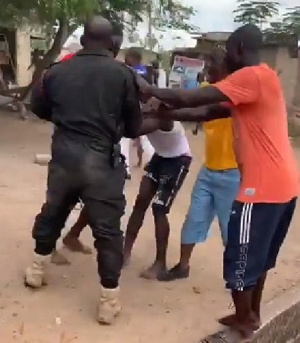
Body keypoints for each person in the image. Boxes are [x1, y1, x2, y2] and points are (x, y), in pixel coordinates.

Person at [139, 24, 299, 339]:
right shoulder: (263, 79)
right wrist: (168, 107)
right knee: (260, 256)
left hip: (262, 188)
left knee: (239, 255)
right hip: (284, 186)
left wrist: (148, 88)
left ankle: (246, 320)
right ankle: (249, 313)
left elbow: (192, 95)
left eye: (226, 52)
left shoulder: (249, 76)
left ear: (238, 48)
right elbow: (208, 111)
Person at [25, 15, 142, 325]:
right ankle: (108, 301)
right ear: (110, 41)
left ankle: (36, 270)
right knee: (107, 231)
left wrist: (67, 120)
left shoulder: (57, 71)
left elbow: (38, 107)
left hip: (64, 154)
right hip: (101, 162)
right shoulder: (122, 75)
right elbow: (133, 126)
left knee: (53, 210)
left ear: (84, 37)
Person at [159, 47, 240, 282]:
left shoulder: (234, 94)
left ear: (224, 68)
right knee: (193, 219)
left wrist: (169, 110)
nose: (206, 72)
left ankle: (237, 276)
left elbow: (201, 112)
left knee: (230, 229)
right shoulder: (207, 90)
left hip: (233, 173)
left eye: (211, 67)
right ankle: (183, 267)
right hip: (209, 169)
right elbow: (188, 102)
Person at [123, 119, 192, 279]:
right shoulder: (144, 108)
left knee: (159, 208)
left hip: (178, 159)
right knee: (141, 201)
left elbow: (133, 129)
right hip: (160, 156)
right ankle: (125, 253)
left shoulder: (164, 114)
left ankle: (160, 263)